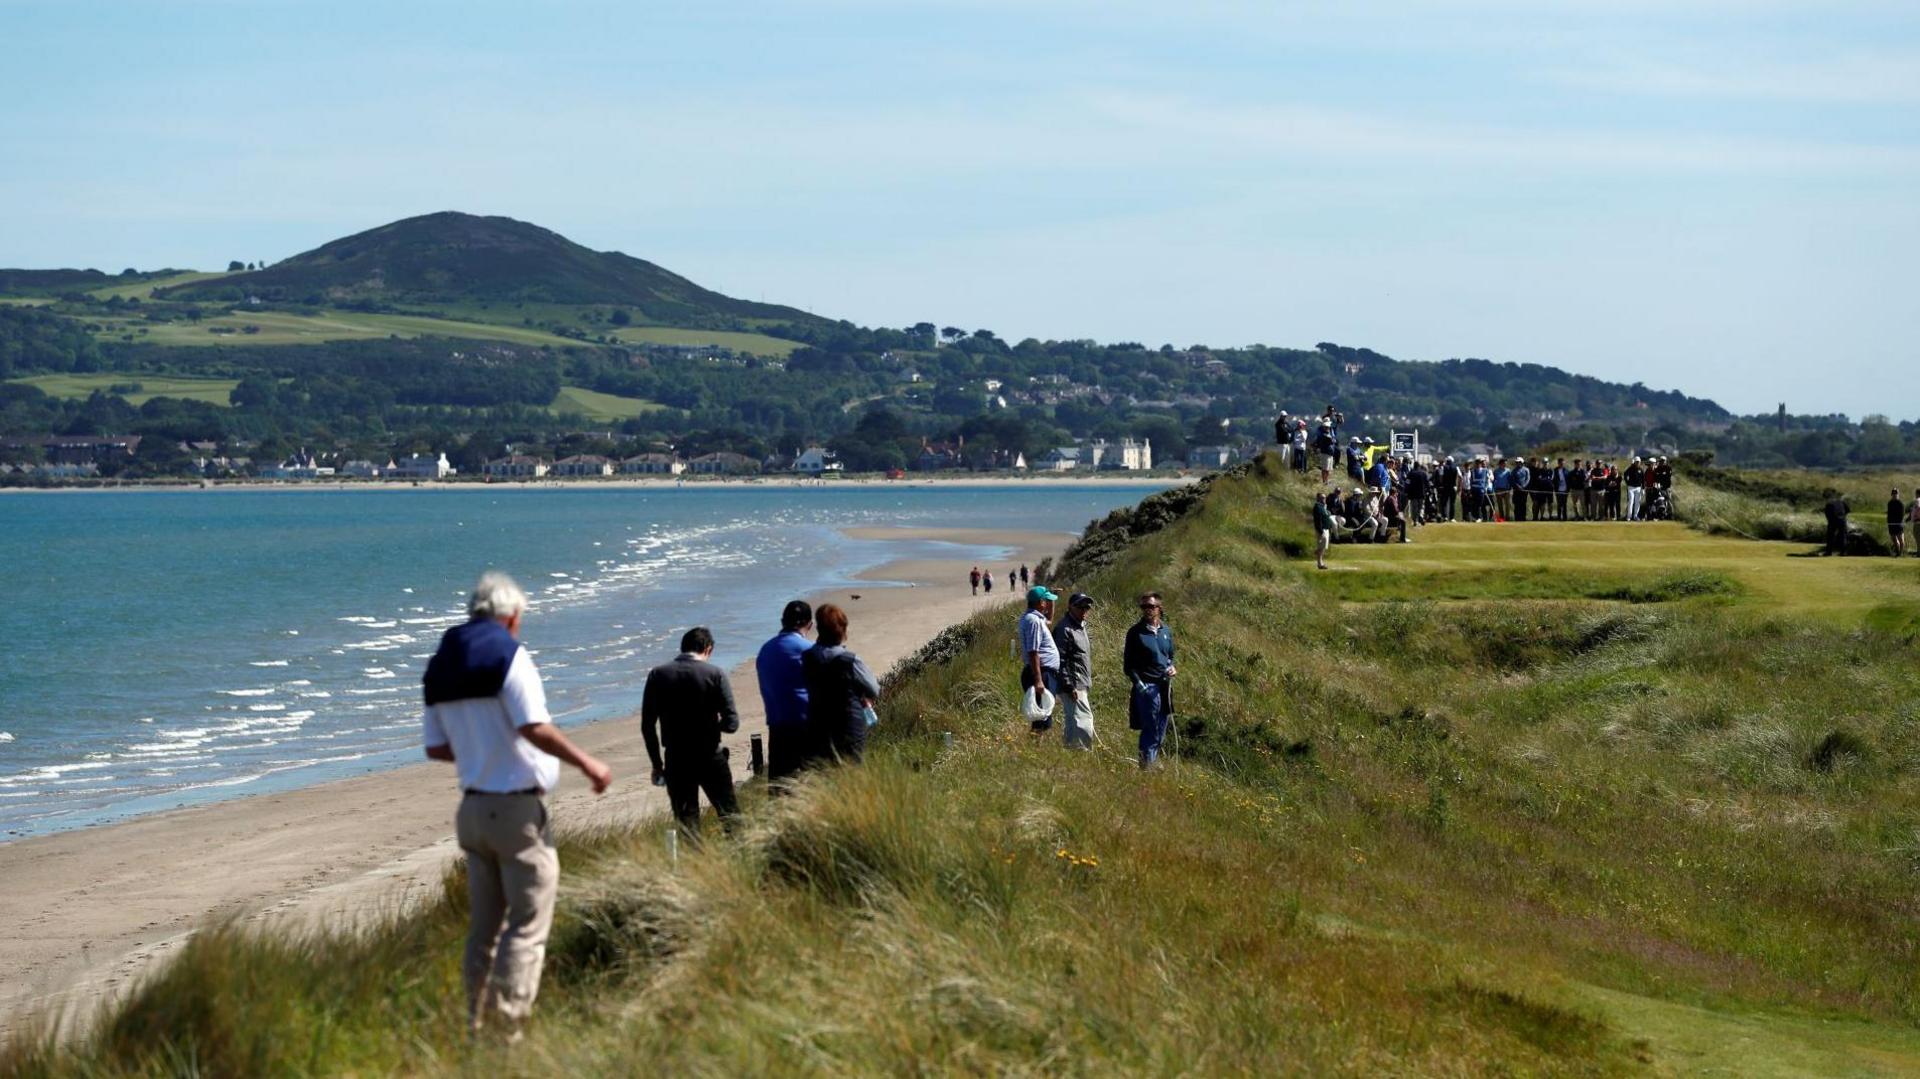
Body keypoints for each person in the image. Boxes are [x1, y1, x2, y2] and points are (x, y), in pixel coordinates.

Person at [422, 572, 613, 1037]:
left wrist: (478, 749)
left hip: (471, 812)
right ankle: (505, 1033)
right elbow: (534, 726)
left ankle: (474, 1022)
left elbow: (436, 748)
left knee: (483, 929)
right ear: (510, 617)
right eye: (520, 620)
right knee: (526, 927)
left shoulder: (440, 664)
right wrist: (588, 763)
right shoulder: (511, 655)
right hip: (515, 813)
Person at [642, 627, 740, 839]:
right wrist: (711, 726)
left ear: (683, 647)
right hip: (710, 755)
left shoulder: (658, 675)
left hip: (676, 758)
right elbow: (732, 723)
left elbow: (647, 726)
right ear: (708, 649)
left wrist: (657, 765)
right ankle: (740, 861)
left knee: (687, 824)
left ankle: (694, 867)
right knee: (730, 816)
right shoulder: (715, 674)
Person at [802, 603, 881, 763]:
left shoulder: (807, 658)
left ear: (819, 628)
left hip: (817, 729)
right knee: (850, 778)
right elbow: (874, 689)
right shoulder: (850, 661)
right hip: (848, 730)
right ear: (842, 630)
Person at [755, 600, 813, 787]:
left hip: (778, 726)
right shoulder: (809, 650)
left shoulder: (765, 650)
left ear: (782, 621)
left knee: (780, 789)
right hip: (807, 726)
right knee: (810, 785)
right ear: (809, 624)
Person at [1124, 592, 1176, 769]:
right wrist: (1141, 686)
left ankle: (1151, 760)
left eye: (1151, 606)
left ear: (1159, 608)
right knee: (1151, 726)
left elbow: (1169, 656)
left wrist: (1171, 667)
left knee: (1162, 725)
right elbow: (1128, 666)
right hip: (1147, 687)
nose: (1147, 610)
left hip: (1164, 686)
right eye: (1144, 606)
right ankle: (1146, 765)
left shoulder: (1166, 631)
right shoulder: (1135, 633)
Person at [1052, 592, 1097, 749]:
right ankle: (1081, 753)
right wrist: (1069, 685)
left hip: (1080, 682)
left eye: (1087, 606)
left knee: (1074, 719)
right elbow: (1059, 660)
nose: (1084, 610)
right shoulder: (1064, 628)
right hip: (1073, 683)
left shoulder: (1080, 627)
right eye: (1080, 606)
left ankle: (1072, 753)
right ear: (1070, 607)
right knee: (1083, 719)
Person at [1019, 585, 1061, 732]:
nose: (1048, 603)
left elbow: (1049, 619)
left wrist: (1052, 599)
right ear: (1041, 602)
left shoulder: (1034, 618)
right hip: (1041, 673)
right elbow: (1033, 651)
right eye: (1047, 600)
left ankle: (1036, 747)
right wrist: (1038, 680)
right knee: (1041, 719)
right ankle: (1035, 748)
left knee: (1043, 715)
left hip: (1044, 672)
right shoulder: (1033, 621)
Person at [1313, 491, 1335, 569]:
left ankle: (1318, 555)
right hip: (1322, 529)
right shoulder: (1317, 507)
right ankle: (1320, 563)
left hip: (1326, 529)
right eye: (1322, 498)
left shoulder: (1323, 507)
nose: (1324, 499)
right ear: (1318, 498)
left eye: (1324, 497)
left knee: (1324, 547)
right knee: (1321, 547)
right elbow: (1318, 520)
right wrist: (1320, 530)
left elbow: (1327, 515)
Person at [1437, 455, 1460, 522]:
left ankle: (1444, 516)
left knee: (1444, 502)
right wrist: (1456, 485)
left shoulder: (1443, 468)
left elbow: (1441, 477)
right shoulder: (1456, 468)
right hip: (1453, 487)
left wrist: (1442, 483)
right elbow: (1459, 477)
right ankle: (1452, 518)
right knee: (1452, 503)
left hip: (1445, 487)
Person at [1511, 458, 1531, 522]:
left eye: (1519, 462)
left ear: (1522, 462)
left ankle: (1523, 518)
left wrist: (1523, 486)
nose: (1517, 463)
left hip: (1524, 490)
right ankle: (1517, 518)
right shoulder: (1514, 471)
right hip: (1516, 490)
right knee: (1517, 505)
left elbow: (1528, 479)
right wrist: (1518, 486)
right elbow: (1513, 480)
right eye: (1517, 462)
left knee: (1523, 504)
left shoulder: (1526, 470)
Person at [1889, 489, 1907, 558]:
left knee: (1901, 540)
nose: (1894, 495)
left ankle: (1901, 553)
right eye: (1893, 494)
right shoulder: (1890, 503)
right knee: (1894, 539)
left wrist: (1899, 523)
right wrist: (1889, 522)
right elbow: (1889, 514)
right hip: (1891, 524)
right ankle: (1897, 552)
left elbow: (1902, 515)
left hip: (1899, 524)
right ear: (1891, 495)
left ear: (1898, 494)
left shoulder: (1900, 504)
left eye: (1896, 494)